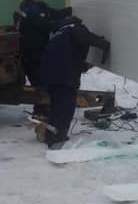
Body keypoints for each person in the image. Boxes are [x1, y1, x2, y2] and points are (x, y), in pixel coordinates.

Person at [38, 19, 110, 148]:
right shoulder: (76, 29)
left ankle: (51, 135)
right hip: (63, 77)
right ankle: (57, 139)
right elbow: (82, 39)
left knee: (56, 107)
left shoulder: (60, 34)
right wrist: (103, 44)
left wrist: (84, 66)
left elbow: (68, 56)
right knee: (65, 108)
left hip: (50, 75)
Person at [14, 0, 73, 117]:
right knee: (40, 81)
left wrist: (72, 10)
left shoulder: (41, 6)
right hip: (31, 52)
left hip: (41, 50)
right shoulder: (27, 10)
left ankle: (42, 107)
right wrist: (67, 22)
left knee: (44, 79)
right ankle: (41, 109)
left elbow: (55, 14)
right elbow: (46, 25)